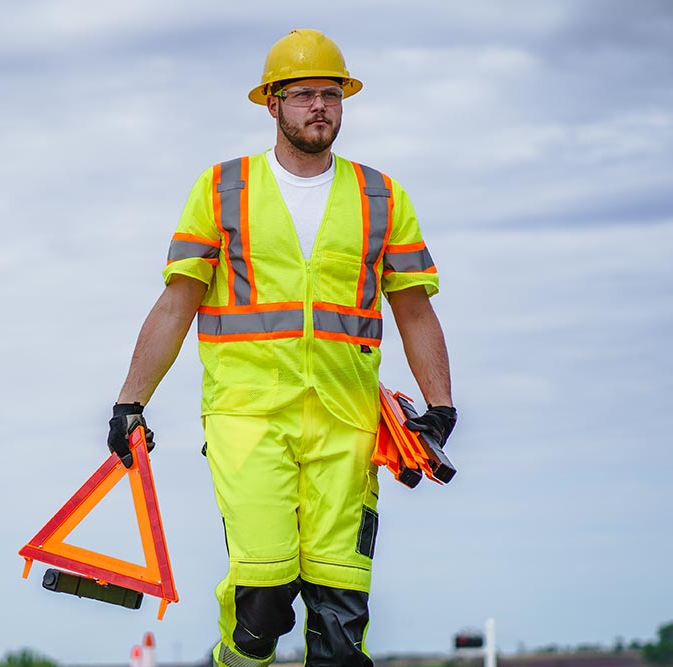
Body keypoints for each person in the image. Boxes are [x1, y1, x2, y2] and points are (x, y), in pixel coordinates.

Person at [106, 28, 456, 667]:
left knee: (340, 619)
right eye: (302, 96)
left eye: (331, 94)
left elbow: (414, 306)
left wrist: (442, 405)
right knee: (263, 600)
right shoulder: (221, 189)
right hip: (248, 419)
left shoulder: (383, 197)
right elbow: (177, 302)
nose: (319, 106)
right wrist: (131, 400)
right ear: (272, 104)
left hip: (347, 425)